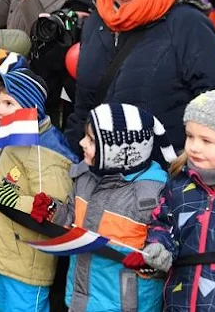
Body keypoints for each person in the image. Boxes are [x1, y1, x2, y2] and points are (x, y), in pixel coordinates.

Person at [64, 0, 215, 161]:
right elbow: (83, 106)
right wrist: (67, 161)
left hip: (163, 173)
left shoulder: (187, 22)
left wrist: (188, 163)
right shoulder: (96, 22)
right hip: (100, 172)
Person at [124, 88, 215, 311]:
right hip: (179, 303)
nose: (194, 147)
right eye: (190, 136)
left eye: (206, 140)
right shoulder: (180, 183)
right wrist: (160, 245)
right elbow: (164, 224)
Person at [32, 103, 173, 312]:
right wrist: (54, 211)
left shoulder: (153, 194)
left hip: (125, 305)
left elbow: (166, 249)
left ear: (119, 152)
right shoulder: (85, 177)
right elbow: (73, 222)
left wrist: (151, 262)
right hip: (80, 297)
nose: (81, 143)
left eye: (91, 140)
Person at [0, 68, 76, 312]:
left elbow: (57, 210)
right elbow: (9, 176)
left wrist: (17, 201)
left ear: (31, 107)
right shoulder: (8, 136)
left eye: (9, 103)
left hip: (25, 262)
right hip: (0, 253)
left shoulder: (48, 152)